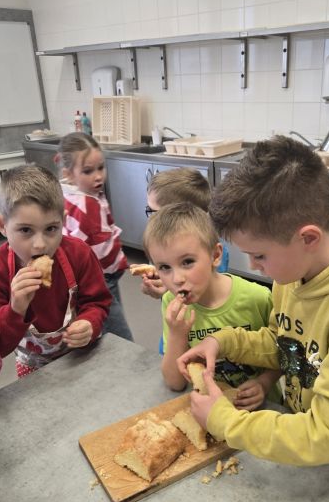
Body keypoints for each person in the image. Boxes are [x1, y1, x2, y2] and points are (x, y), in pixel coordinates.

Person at [177, 136, 329, 466]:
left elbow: (327, 435)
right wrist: (222, 342)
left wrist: (225, 421)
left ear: (308, 238)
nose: (253, 266)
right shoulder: (296, 271)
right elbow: (287, 344)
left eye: (259, 255)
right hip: (299, 430)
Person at [143, 201, 281, 410]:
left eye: (187, 262)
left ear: (215, 256)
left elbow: (283, 354)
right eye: (164, 267)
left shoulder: (258, 298)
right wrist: (177, 334)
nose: (177, 279)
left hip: (261, 410)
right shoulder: (171, 304)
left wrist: (264, 383)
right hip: (209, 409)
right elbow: (174, 382)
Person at [0, 164, 112, 377]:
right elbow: (1, 347)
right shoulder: (1, 268)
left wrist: (90, 322)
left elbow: (98, 302)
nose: (40, 245)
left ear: (63, 221)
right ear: (3, 226)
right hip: (32, 365)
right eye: (25, 230)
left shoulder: (79, 254)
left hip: (80, 354)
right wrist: (16, 309)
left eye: (51, 229)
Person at [57, 132, 133, 342]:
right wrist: (119, 263)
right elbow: (100, 252)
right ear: (69, 174)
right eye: (88, 171)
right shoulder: (87, 205)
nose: (98, 176)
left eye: (101, 168)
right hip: (101, 276)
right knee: (118, 333)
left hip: (89, 276)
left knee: (102, 323)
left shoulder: (71, 195)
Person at [141, 167, 229, 301]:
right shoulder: (159, 241)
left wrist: (168, 291)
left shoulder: (209, 251)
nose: (150, 220)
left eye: (154, 213)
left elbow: (207, 294)